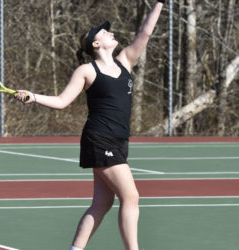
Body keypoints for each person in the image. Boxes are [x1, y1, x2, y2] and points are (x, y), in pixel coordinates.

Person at [15, 1, 165, 249]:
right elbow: (63, 101)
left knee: (102, 204)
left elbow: (145, 33)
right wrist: (34, 96)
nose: (110, 32)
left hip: (119, 140)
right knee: (131, 196)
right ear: (96, 44)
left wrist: (159, 3)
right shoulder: (87, 71)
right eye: (104, 32)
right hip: (99, 138)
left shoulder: (125, 61)